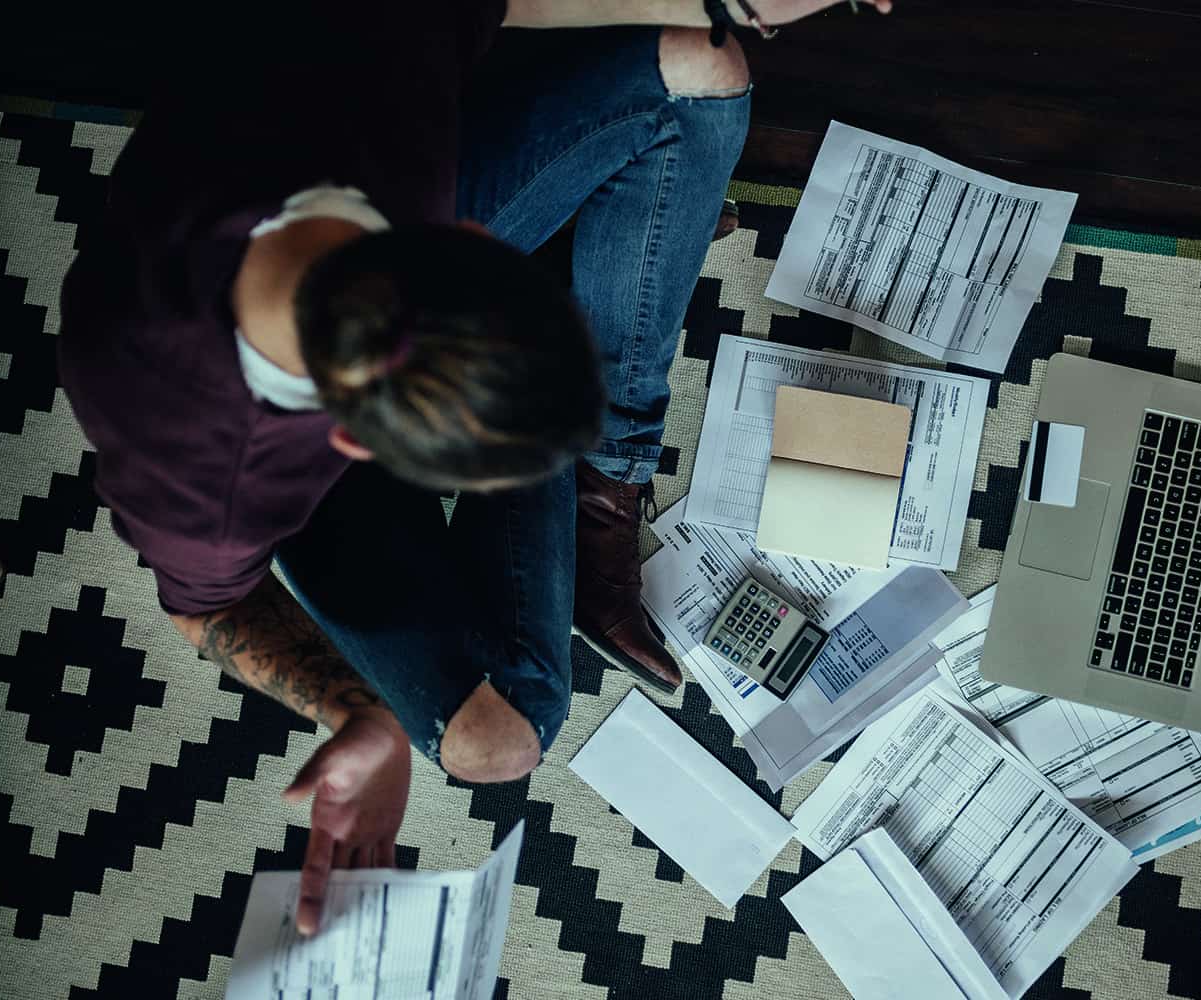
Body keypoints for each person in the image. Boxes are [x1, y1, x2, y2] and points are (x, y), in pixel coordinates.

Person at [58, 0, 893, 936]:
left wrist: (723, 2)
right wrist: (353, 712)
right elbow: (202, 605)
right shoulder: (204, 476)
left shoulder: (383, 78)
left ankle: (600, 459)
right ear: (356, 448)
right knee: (501, 742)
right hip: (295, 470)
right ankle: (583, 330)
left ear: (472, 237)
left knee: (705, 68)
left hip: (339, 179)